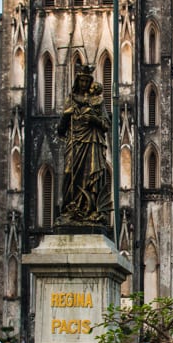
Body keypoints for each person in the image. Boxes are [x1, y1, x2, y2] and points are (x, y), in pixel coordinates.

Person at [58, 65, 111, 226]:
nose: (83, 83)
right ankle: (70, 210)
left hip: (93, 142)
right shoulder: (71, 99)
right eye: (81, 80)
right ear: (77, 81)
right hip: (75, 141)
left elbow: (106, 124)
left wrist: (94, 120)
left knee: (93, 178)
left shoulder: (97, 101)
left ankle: (91, 211)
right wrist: (66, 115)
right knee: (69, 172)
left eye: (87, 81)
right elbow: (60, 129)